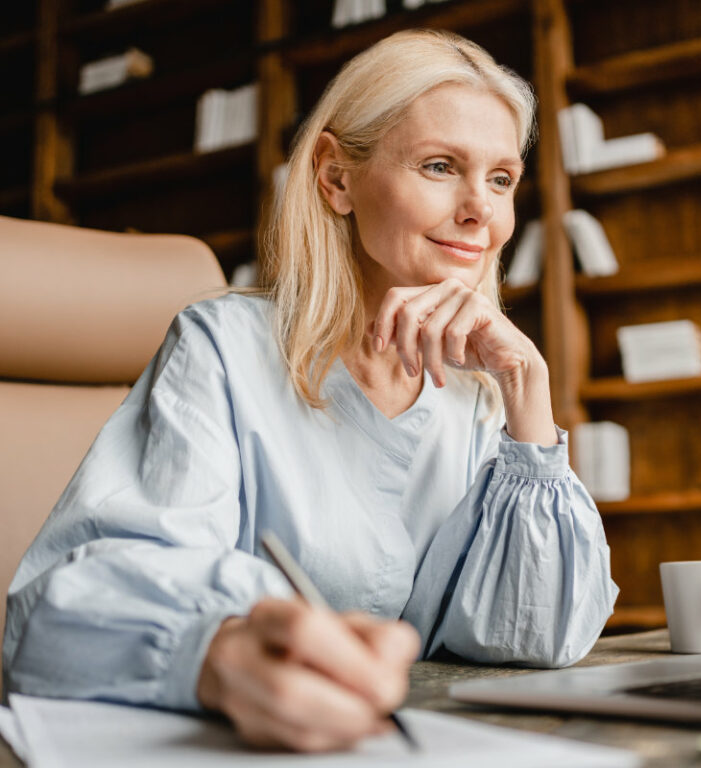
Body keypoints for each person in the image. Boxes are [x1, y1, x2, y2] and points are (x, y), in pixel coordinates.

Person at [3, 29, 618, 752]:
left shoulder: (480, 401)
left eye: (502, 179)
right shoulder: (224, 350)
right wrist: (219, 654)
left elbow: (534, 636)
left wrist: (528, 395)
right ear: (335, 177)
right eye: (440, 165)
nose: (481, 211)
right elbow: (58, 614)